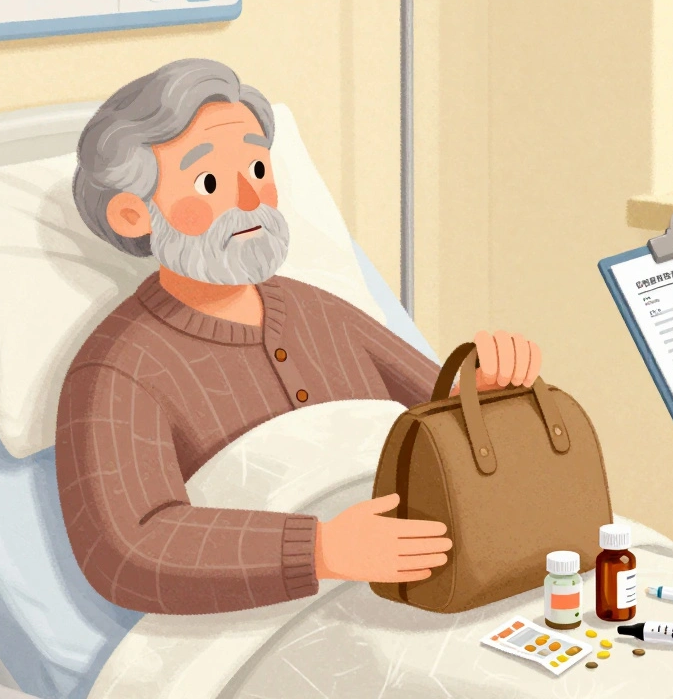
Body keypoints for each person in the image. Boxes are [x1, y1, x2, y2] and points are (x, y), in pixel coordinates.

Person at [58, 58, 543, 615]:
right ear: (131, 214)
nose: (250, 199)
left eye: (259, 171)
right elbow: (126, 549)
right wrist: (321, 550)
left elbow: (440, 411)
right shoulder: (122, 368)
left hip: (440, 574)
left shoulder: (319, 311)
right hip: (279, 620)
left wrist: (484, 390)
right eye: (210, 182)